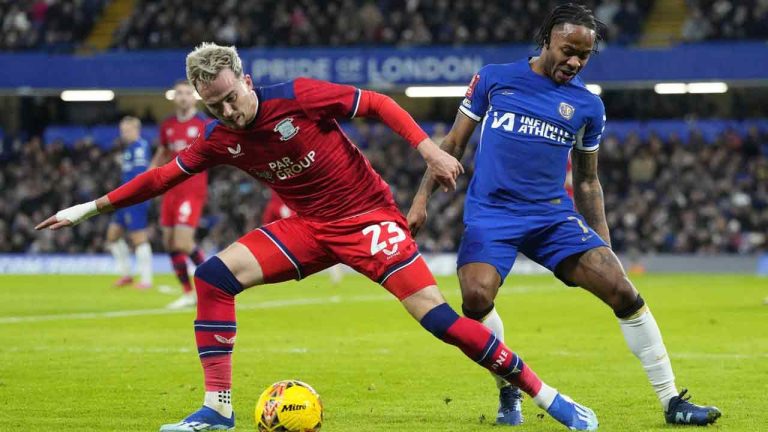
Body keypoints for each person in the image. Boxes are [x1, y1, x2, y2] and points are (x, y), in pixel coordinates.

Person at [37, 42, 599, 432]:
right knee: (213, 278)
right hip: (307, 228)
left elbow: (376, 103)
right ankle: (217, 408)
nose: (228, 111)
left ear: (246, 80)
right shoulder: (218, 138)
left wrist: (428, 149)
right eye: (215, 106)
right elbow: (161, 177)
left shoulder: (298, 97)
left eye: (232, 97)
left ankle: (546, 395)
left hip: (369, 220)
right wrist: (86, 209)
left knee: (438, 321)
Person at [407, 3, 721, 427]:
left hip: (551, 217)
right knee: (476, 298)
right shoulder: (494, 78)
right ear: (547, 41)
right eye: (567, 51)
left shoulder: (587, 106)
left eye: (584, 56)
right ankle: (509, 389)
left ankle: (672, 402)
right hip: (493, 215)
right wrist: (421, 199)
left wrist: (604, 245)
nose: (574, 62)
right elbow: (453, 145)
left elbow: (588, 181)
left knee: (622, 290)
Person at [150, 80, 210, 309]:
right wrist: (149, 175)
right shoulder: (168, 125)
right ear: (174, 98)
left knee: (183, 242)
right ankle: (187, 293)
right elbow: (162, 152)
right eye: (179, 93)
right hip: (171, 190)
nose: (183, 97)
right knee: (169, 243)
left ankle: (214, 284)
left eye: (187, 93)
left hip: (192, 189)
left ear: (194, 98)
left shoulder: (203, 123)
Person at [106, 116, 153, 289]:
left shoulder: (140, 147)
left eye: (127, 130)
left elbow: (140, 175)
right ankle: (126, 274)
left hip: (135, 199)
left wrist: (135, 197)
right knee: (112, 235)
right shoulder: (129, 148)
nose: (123, 133)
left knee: (138, 237)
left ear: (136, 129)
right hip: (123, 199)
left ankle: (146, 280)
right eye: (122, 130)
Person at [261, 190, 344, 285]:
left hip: (301, 234)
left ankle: (335, 274)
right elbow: (267, 221)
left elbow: (267, 221)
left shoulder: (279, 204)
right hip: (298, 235)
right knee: (326, 250)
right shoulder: (284, 202)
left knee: (325, 250)